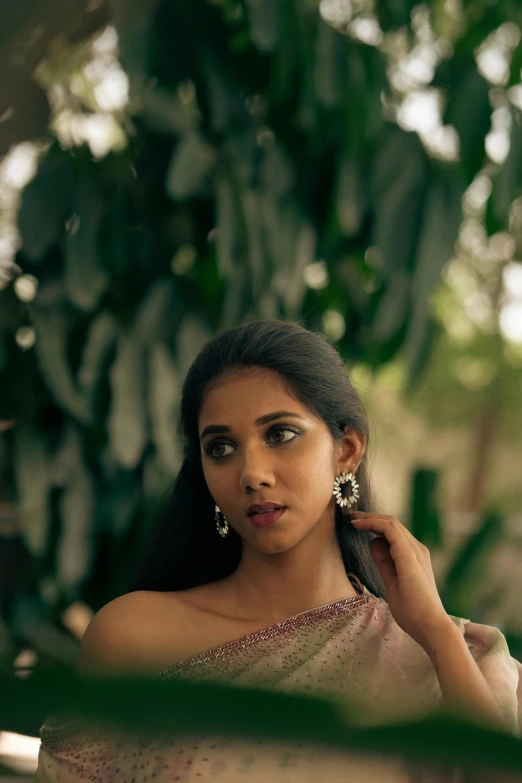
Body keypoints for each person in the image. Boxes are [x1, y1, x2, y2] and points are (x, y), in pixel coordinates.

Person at [35, 319, 521, 782]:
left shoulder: (438, 658)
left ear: (347, 449)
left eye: (280, 434)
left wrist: (435, 634)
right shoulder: (133, 637)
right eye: (221, 448)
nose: (252, 472)